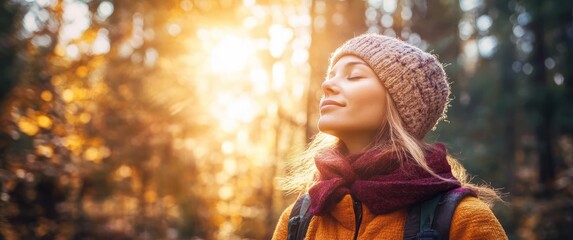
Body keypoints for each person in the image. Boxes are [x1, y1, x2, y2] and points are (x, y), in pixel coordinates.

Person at [272, 34, 507, 239]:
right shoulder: (299, 220)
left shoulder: (462, 219)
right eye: (331, 75)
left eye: (353, 76)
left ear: (400, 102)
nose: (327, 85)